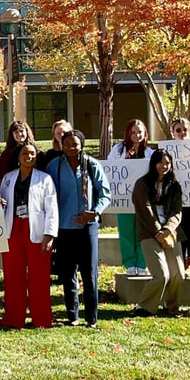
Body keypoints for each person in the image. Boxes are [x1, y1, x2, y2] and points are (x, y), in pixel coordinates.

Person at [47, 129, 110, 328]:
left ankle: (91, 318)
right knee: (68, 274)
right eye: (67, 144)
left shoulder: (91, 165)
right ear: (61, 145)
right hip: (64, 227)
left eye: (75, 144)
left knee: (90, 273)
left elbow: (105, 194)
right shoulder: (53, 167)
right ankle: (72, 315)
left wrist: (95, 211)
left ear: (81, 144)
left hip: (87, 228)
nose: (71, 148)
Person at [0, 143, 57, 329]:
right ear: (18, 156)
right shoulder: (8, 178)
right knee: (13, 276)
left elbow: (52, 209)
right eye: (25, 153)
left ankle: (41, 319)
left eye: (32, 153)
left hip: (37, 230)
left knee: (39, 277)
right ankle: (14, 318)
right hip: (12, 228)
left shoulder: (45, 179)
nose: (29, 156)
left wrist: (49, 235)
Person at [132, 149, 185, 317]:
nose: (164, 166)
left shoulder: (175, 186)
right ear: (153, 163)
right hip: (149, 233)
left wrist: (168, 230)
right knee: (161, 275)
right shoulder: (142, 184)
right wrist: (158, 232)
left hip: (170, 232)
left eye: (168, 163)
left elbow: (177, 211)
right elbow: (145, 210)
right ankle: (144, 307)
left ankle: (171, 306)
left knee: (178, 274)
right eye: (161, 162)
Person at [108, 119, 152, 276]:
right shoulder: (118, 149)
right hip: (124, 198)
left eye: (139, 132)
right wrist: (125, 159)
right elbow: (111, 168)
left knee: (144, 231)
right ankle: (130, 263)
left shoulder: (150, 153)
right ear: (128, 133)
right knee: (126, 231)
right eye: (133, 132)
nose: (136, 135)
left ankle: (142, 263)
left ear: (145, 133)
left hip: (143, 200)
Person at [170, 118, 190, 274]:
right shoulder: (168, 150)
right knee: (180, 226)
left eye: (185, 129)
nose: (182, 133)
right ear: (173, 132)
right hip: (175, 195)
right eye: (178, 130)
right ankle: (181, 260)